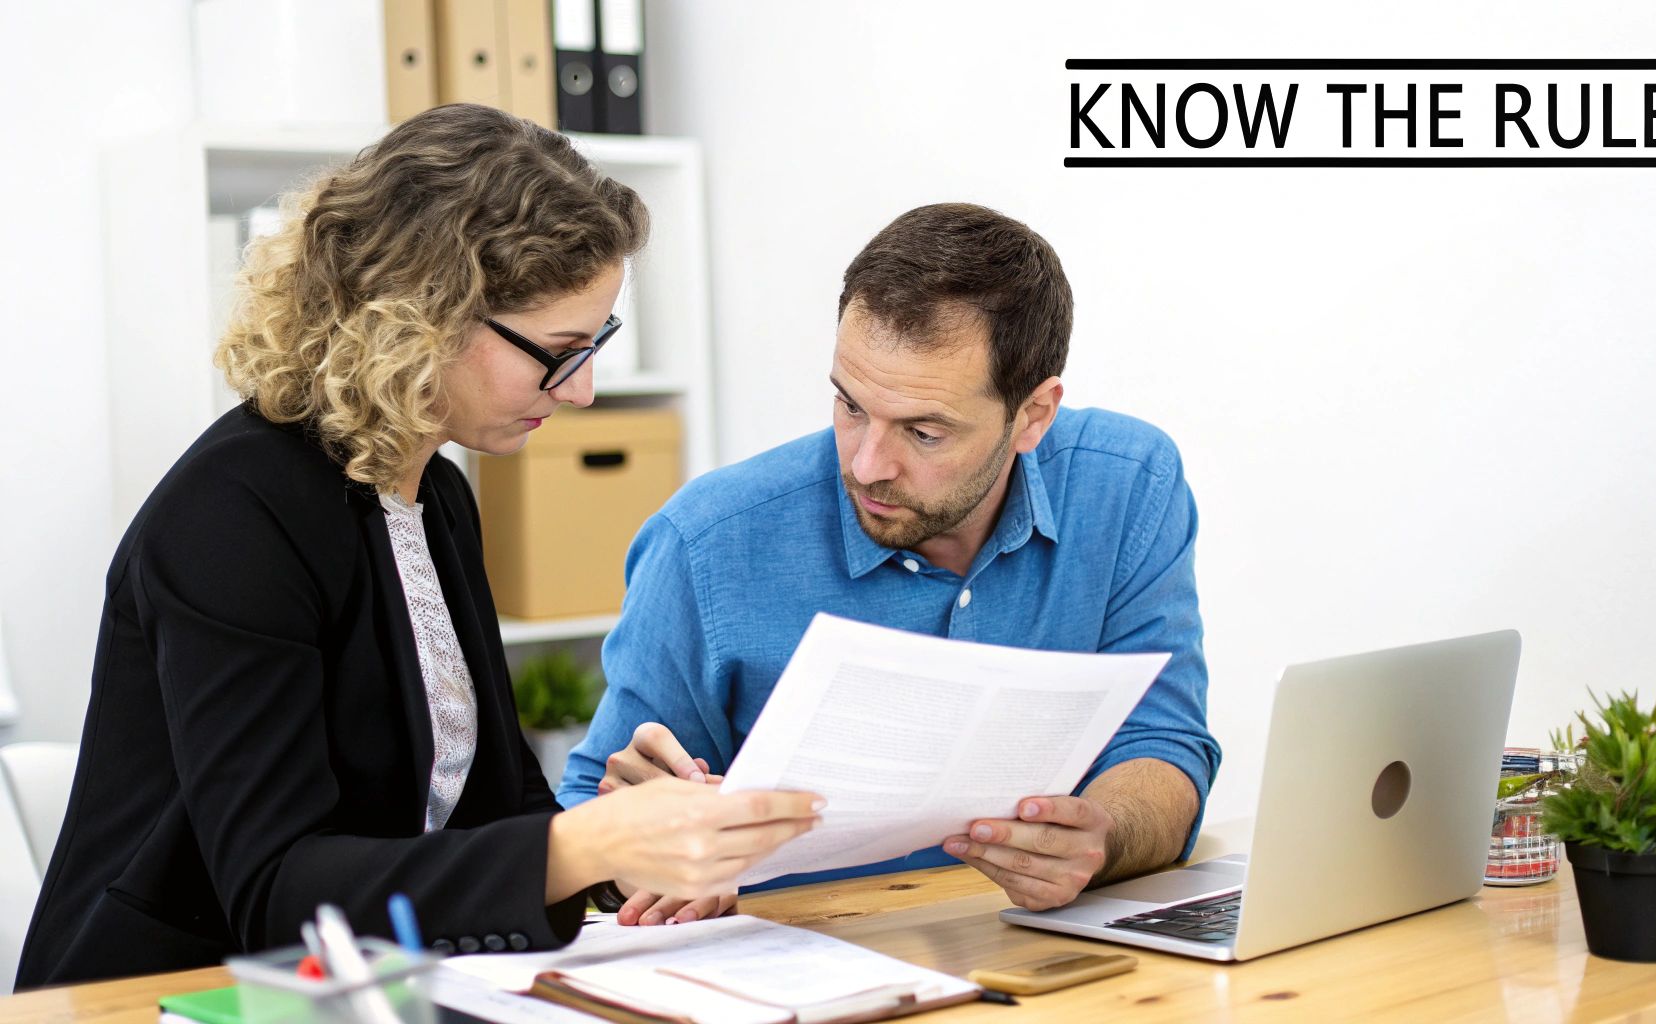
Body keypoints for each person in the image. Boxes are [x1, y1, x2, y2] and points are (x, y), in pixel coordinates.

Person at [16, 103, 820, 989]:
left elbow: (488, 811)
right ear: (420, 319)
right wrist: (575, 843)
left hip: (371, 988)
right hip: (157, 997)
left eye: (596, 345)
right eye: (559, 351)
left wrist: (620, 851)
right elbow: (276, 894)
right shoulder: (232, 516)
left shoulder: (432, 490)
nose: (584, 390)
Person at [558, 203, 1217, 928]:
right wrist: (639, 854)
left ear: (1034, 415)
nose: (868, 464)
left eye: (924, 432)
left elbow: (1162, 742)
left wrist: (1103, 837)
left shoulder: (1127, 484)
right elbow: (588, 826)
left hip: (1042, 954)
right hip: (798, 967)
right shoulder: (707, 542)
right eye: (849, 406)